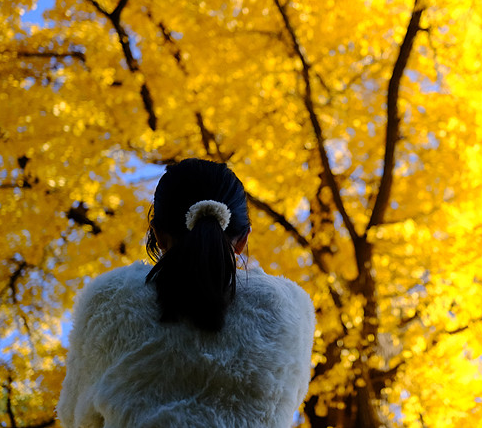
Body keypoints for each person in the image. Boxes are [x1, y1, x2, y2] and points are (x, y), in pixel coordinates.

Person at [57, 159, 316, 427]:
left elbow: (75, 416)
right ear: (243, 239)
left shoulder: (108, 299)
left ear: (157, 233)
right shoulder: (289, 307)